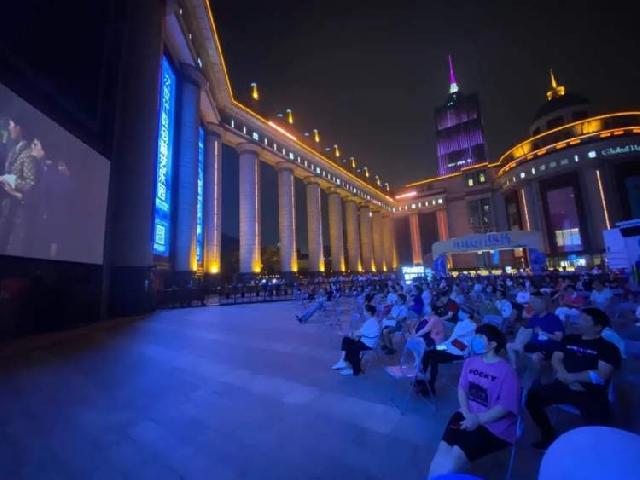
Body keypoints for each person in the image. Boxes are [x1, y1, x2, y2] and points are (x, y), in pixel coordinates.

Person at [427, 324, 519, 478]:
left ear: (492, 344)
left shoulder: (507, 372)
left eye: (480, 337)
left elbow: (505, 407)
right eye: (475, 336)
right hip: (466, 414)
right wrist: (466, 412)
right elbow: (462, 389)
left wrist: (477, 419)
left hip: (494, 427)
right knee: (439, 457)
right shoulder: (470, 362)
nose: (474, 339)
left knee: (455, 459)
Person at [525, 307, 622, 450]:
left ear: (598, 327)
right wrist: (565, 376)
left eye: (584, 320)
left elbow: (602, 374)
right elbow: (556, 358)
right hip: (563, 385)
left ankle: (588, 452)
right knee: (532, 399)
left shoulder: (608, 348)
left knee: (600, 429)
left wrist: (571, 378)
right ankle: (548, 433)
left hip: (590, 392)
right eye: (580, 318)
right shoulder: (569, 339)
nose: (578, 322)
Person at [420, 305, 479, 395]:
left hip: (458, 352)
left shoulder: (470, 326)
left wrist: (440, 347)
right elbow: (450, 341)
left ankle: (430, 385)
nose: (459, 313)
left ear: (467, 315)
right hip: (450, 347)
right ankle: (422, 378)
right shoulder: (463, 323)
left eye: (461, 312)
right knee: (428, 352)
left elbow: (459, 342)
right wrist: (438, 347)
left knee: (433, 358)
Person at [506, 291, 563, 369]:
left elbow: (559, 338)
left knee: (535, 357)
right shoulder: (535, 317)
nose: (532, 306)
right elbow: (528, 330)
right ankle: (514, 368)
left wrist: (544, 333)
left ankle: (536, 373)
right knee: (509, 345)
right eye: (533, 303)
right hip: (533, 345)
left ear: (543, 304)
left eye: (535, 303)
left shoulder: (553, 319)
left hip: (547, 347)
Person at [331, 303, 380, 376]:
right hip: (364, 340)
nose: (363, 312)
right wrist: (352, 334)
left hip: (368, 344)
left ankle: (355, 370)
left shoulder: (372, 322)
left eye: (365, 311)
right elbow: (360, 332)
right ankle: (342, 361)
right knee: (346, 339)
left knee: (353, 348)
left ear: (369, 313)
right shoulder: (370, 320)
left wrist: (349, 334)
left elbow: (359, 333)